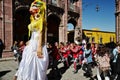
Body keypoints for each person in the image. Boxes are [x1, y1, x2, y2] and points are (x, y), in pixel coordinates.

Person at [14, 0, 49, 80]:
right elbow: (34, 33)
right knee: (26, 62)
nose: (32, 7)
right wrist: (30, 40)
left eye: (34, 6)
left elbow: (40, 34)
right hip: (32, 43)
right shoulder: (34, 19)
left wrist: (39, 48)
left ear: (39, 9)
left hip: (37, 44)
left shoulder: (41, 20)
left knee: (33, 63)